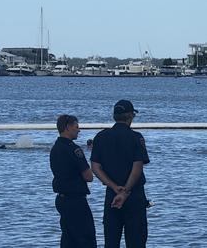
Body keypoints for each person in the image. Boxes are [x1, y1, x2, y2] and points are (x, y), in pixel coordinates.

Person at [91, 100, 150, 248]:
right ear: (130, 116)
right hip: (134, 196)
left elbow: (95, 167)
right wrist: (125, 191)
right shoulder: (136, 137)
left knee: (111, 242)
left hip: (112, 195)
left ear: (114, 116)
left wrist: (114, 187)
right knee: (136, 242)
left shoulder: (101, 137)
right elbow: (137, 167)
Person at [50, 114, 97, 248]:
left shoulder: (55, 148)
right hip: (76, 200)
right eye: (76, 127)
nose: (79, 130)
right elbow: (89, 177)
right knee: (86, 238)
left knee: (68, 239)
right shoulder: (74, 149)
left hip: (61, 199)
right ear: (68, 128)